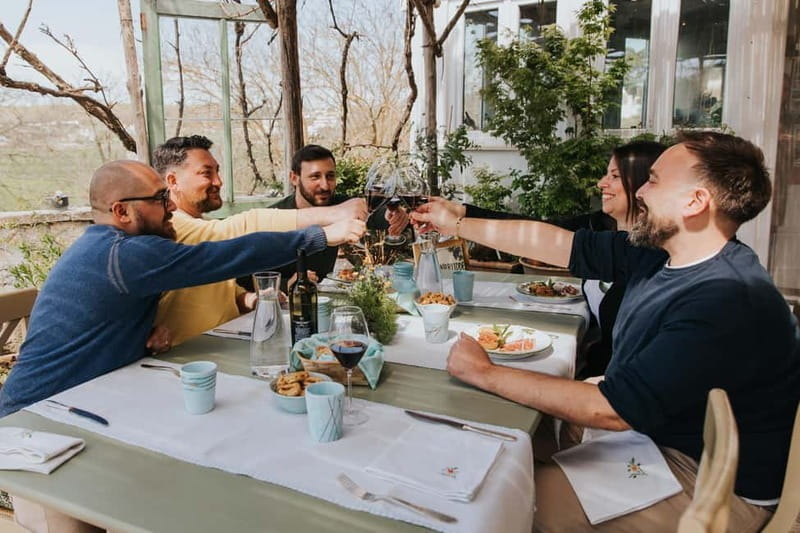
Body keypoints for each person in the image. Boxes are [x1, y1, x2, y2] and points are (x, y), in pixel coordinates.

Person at [412, 131, 800, 530]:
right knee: (486, 441)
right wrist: (456, 223)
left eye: (653, 180)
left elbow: (611, 409)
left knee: (497, 501)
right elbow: (558, 244)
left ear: (695, 202)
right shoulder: (661, 254)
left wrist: (484, 372)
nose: (642, 193)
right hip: (660, 437)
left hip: (709, 481)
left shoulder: (726, 298)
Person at [431, 140, 667, 377]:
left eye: (614, 176)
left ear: (642, 184)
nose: (601, 183)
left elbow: (544, 241)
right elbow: (538, 230)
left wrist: (456, 225)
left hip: (611, 384)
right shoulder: (601, 226)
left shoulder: (648, 251)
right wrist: (462, 212)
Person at [151, 135, 368, 345]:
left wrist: (251, 299)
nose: (219, 181)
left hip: (227, 341)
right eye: (206, 174)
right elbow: (239, 229)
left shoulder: (200, 224)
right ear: (173, 181)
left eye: (217, 172)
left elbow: (221, 290)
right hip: (188, 360)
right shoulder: (172, 226)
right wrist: (330, 220)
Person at [250, 144, 410, 291]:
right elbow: (244, 280)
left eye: (330, 176)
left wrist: (394, 215)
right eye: (315, 177)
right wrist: (286, 284)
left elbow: (374, 214)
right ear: (294, 178)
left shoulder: (341, 206)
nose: (325, 185)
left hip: (327, 300)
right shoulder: (274, 217)